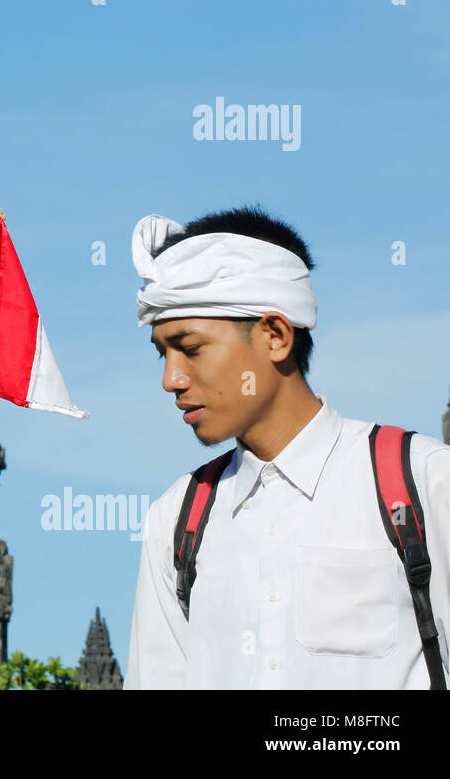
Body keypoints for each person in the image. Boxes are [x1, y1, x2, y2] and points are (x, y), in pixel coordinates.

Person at [123, 205, 450, 688]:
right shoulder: (176, 521)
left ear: (275, 336)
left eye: (190, 348)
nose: (171, 379)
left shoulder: (421, 482)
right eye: (161, 354)